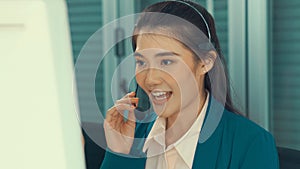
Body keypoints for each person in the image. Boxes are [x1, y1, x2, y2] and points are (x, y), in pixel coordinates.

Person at [100, 0, 279, 168]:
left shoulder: (250, 143)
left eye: (166, 62)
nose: (151, 79)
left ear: (205, 62)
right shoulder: (131, 137)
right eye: (141, 62)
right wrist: (119, 154)